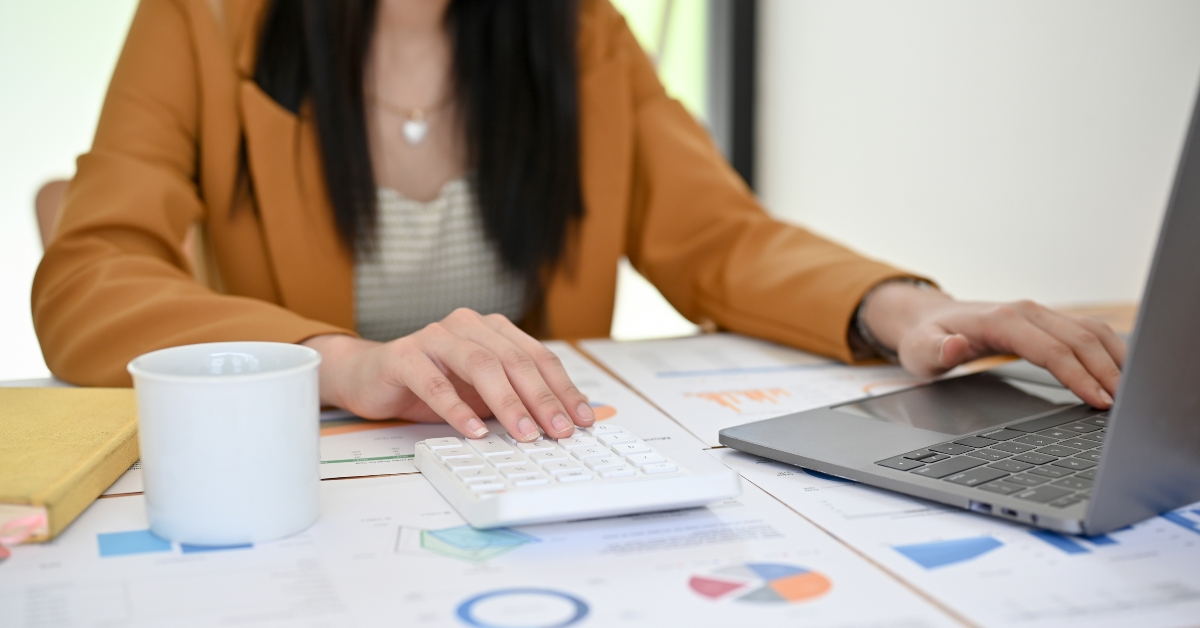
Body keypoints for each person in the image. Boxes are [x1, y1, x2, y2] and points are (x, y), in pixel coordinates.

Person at [32, 0, 1125, 444]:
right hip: (316, 482)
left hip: (524, 474)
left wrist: (908, 306)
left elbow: (722, 238)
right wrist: (340, 363)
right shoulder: (201, 19)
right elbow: (92, 271)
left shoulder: (580, 29)